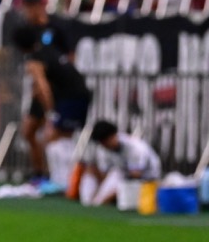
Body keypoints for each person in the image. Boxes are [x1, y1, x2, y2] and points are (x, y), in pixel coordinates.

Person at [13, 23, 91, 186]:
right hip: (66, 95)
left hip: (71, 97)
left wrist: (50, 114)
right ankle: (45, 175)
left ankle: (65, 181)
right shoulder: (46, 50)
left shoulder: (35, 60)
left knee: (56, 138)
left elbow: (43, 87)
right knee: (31, 132)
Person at [80, 120, 162, 206]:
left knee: (117, 173)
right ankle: (87, 201)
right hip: (121, 181)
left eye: (105, 141)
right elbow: (104, 174)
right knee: (90, 170)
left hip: (147, 183)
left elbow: (136, 175)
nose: (104, 145)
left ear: (113, 136)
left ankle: (98, 202)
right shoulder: (103, 149)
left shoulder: (134, 147)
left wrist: (111, 193)